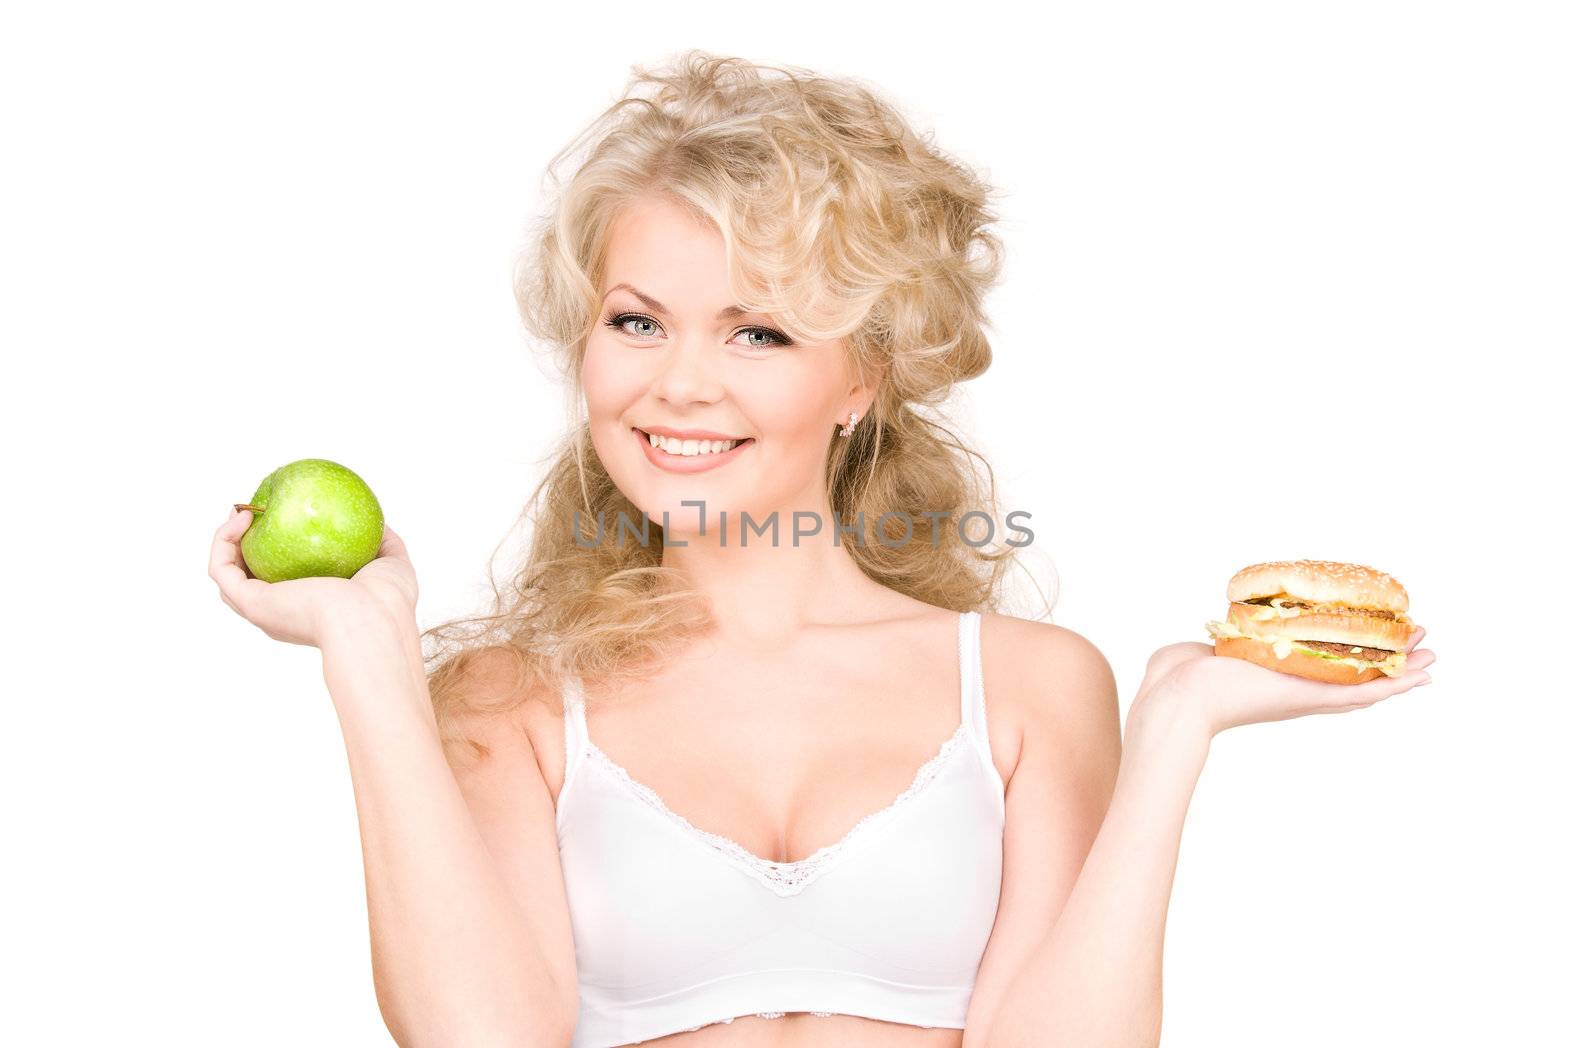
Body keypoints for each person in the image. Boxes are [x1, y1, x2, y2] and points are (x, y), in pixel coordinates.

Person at [207, 50, 1436, 1048]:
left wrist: (1174, 727)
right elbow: (482, 1039)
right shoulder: (507, 700)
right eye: (637, 321)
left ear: (863, 375)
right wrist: (365, 655)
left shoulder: (1028, 684)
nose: (678, 385)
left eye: (759, 334)